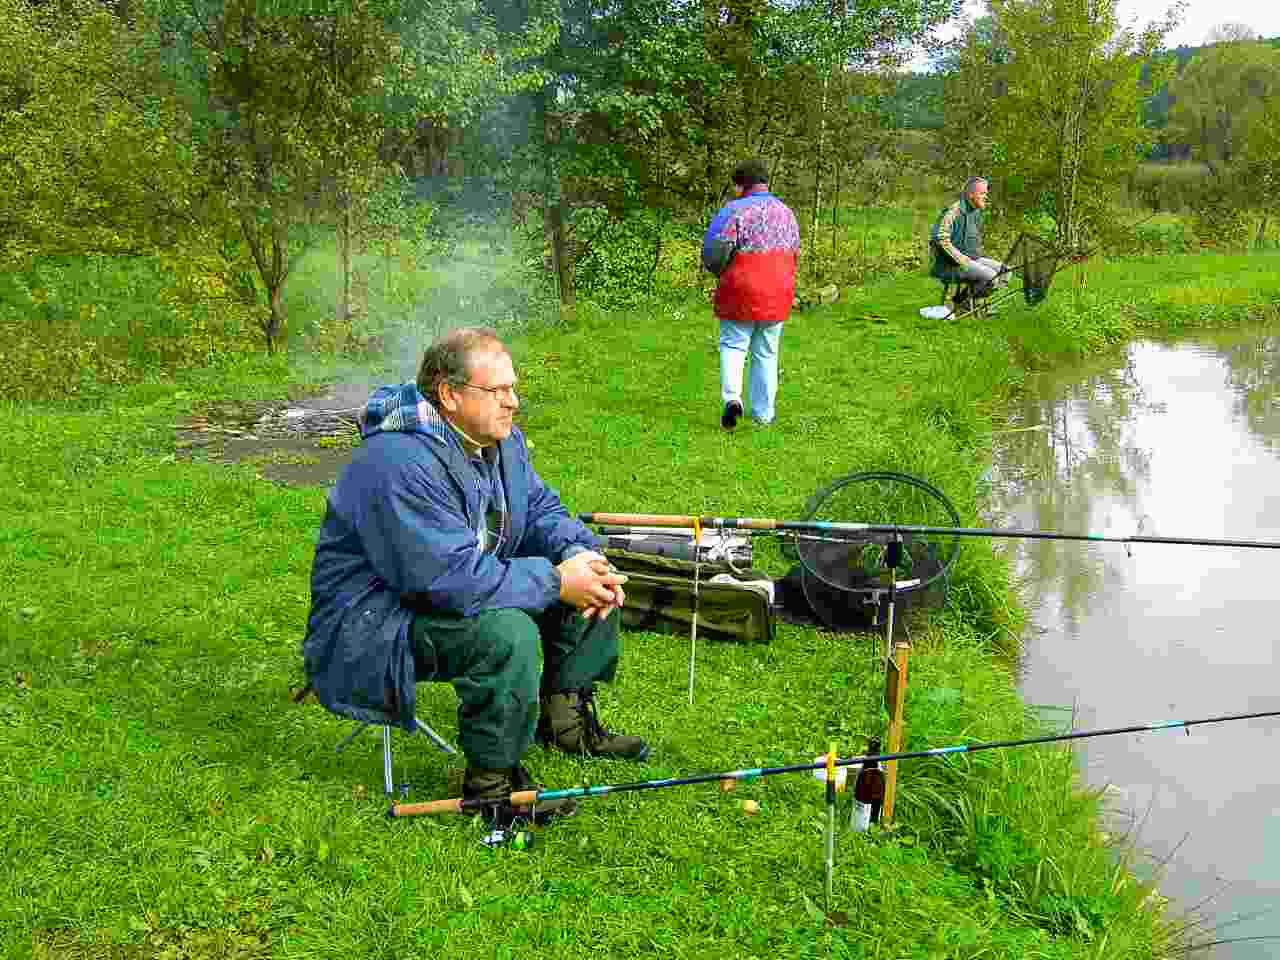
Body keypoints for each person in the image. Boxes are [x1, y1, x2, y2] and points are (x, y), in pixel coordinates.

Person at [303, 327, 649, 824]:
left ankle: (563, 720)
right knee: (506, 632)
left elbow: (540, 510)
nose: (513, 402)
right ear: (449, 394)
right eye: (498, 390)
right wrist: (556, 581)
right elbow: (447, 579)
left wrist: (580, 554)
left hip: (449, 585)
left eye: (513, 388)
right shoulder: (397, 461)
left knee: (590, 575)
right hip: (376, 621)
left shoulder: (498, 442)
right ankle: (493, 783)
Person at [702, 158, 800, 431]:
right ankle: (764, 415)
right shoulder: (787, 213)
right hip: (777, 292)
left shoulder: (734, 211)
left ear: (740, 185)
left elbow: (713, 252)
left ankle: (732, 399)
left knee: (734, 345)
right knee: (766, 353)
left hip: (741, 290)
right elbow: (795, 253)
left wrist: (720, 272)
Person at [929, 176, 1008, 306]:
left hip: (971, 259)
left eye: (986, 193)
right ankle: (962, 303)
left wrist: (978, 256)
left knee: (1005, 271)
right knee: (990, 276)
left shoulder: (975, 211)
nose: (986, 197)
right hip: (950, 265)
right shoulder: (953, 212)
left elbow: (971, 239)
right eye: (982, 193)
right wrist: (961, 259)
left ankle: (965, 300)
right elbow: (940, 238)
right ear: (971, 195)